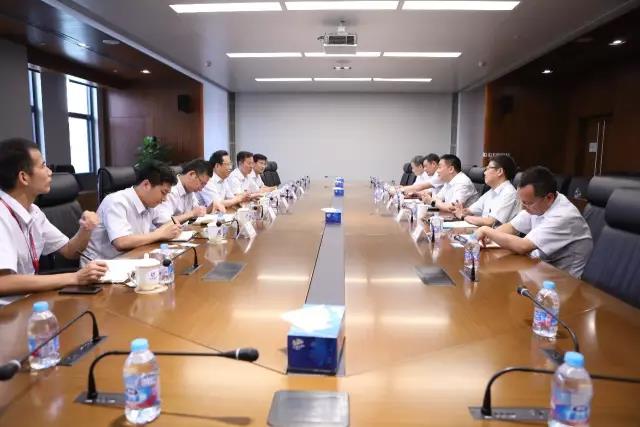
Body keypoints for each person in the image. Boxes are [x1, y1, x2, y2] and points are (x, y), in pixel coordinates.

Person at [0, 138, 106, 295]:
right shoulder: (2, 216)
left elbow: (70, 251)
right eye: (43, 166)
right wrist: (74, 278)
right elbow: (3, 282)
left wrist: (86, 228)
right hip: (9, 307)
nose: (50, 172)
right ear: (24, 177)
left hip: (30, 299)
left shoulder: (34, 212)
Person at [474, 166, 593, 278]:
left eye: (527, 203)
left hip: (562, 280)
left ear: (549, 198)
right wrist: (489, 237)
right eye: (522, 202)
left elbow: (523, 246)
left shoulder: (563, 215)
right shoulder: (539, 203)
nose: (523, 207)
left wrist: (487, 230)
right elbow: (512, 227)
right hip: (538, 268)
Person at [83, 160, 182, 262]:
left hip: (131, 258)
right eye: (163, 192)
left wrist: (169, 229)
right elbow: (121, 242)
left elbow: (171, 223)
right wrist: (159, 234)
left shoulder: (150, 203)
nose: (164, 199)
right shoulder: (116, 202)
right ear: (146, 185)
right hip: (101, 265)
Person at [452, 155, 519, 227]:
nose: (484, 173)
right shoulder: (491, 191)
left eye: (488, 169)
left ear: (499, 171)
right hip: (482, 231)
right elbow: (470, 210)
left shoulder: (509, 193)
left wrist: (463, 216)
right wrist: (460, 210)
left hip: (494, 233)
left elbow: (490, 222)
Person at [153, 159, 223, 226]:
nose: (201, 189)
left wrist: (211, 206)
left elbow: (198, 213)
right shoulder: (170, 190)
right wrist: (192, 213)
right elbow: (164, 222)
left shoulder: (190, 190)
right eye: (202, 183)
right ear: (192, 174)